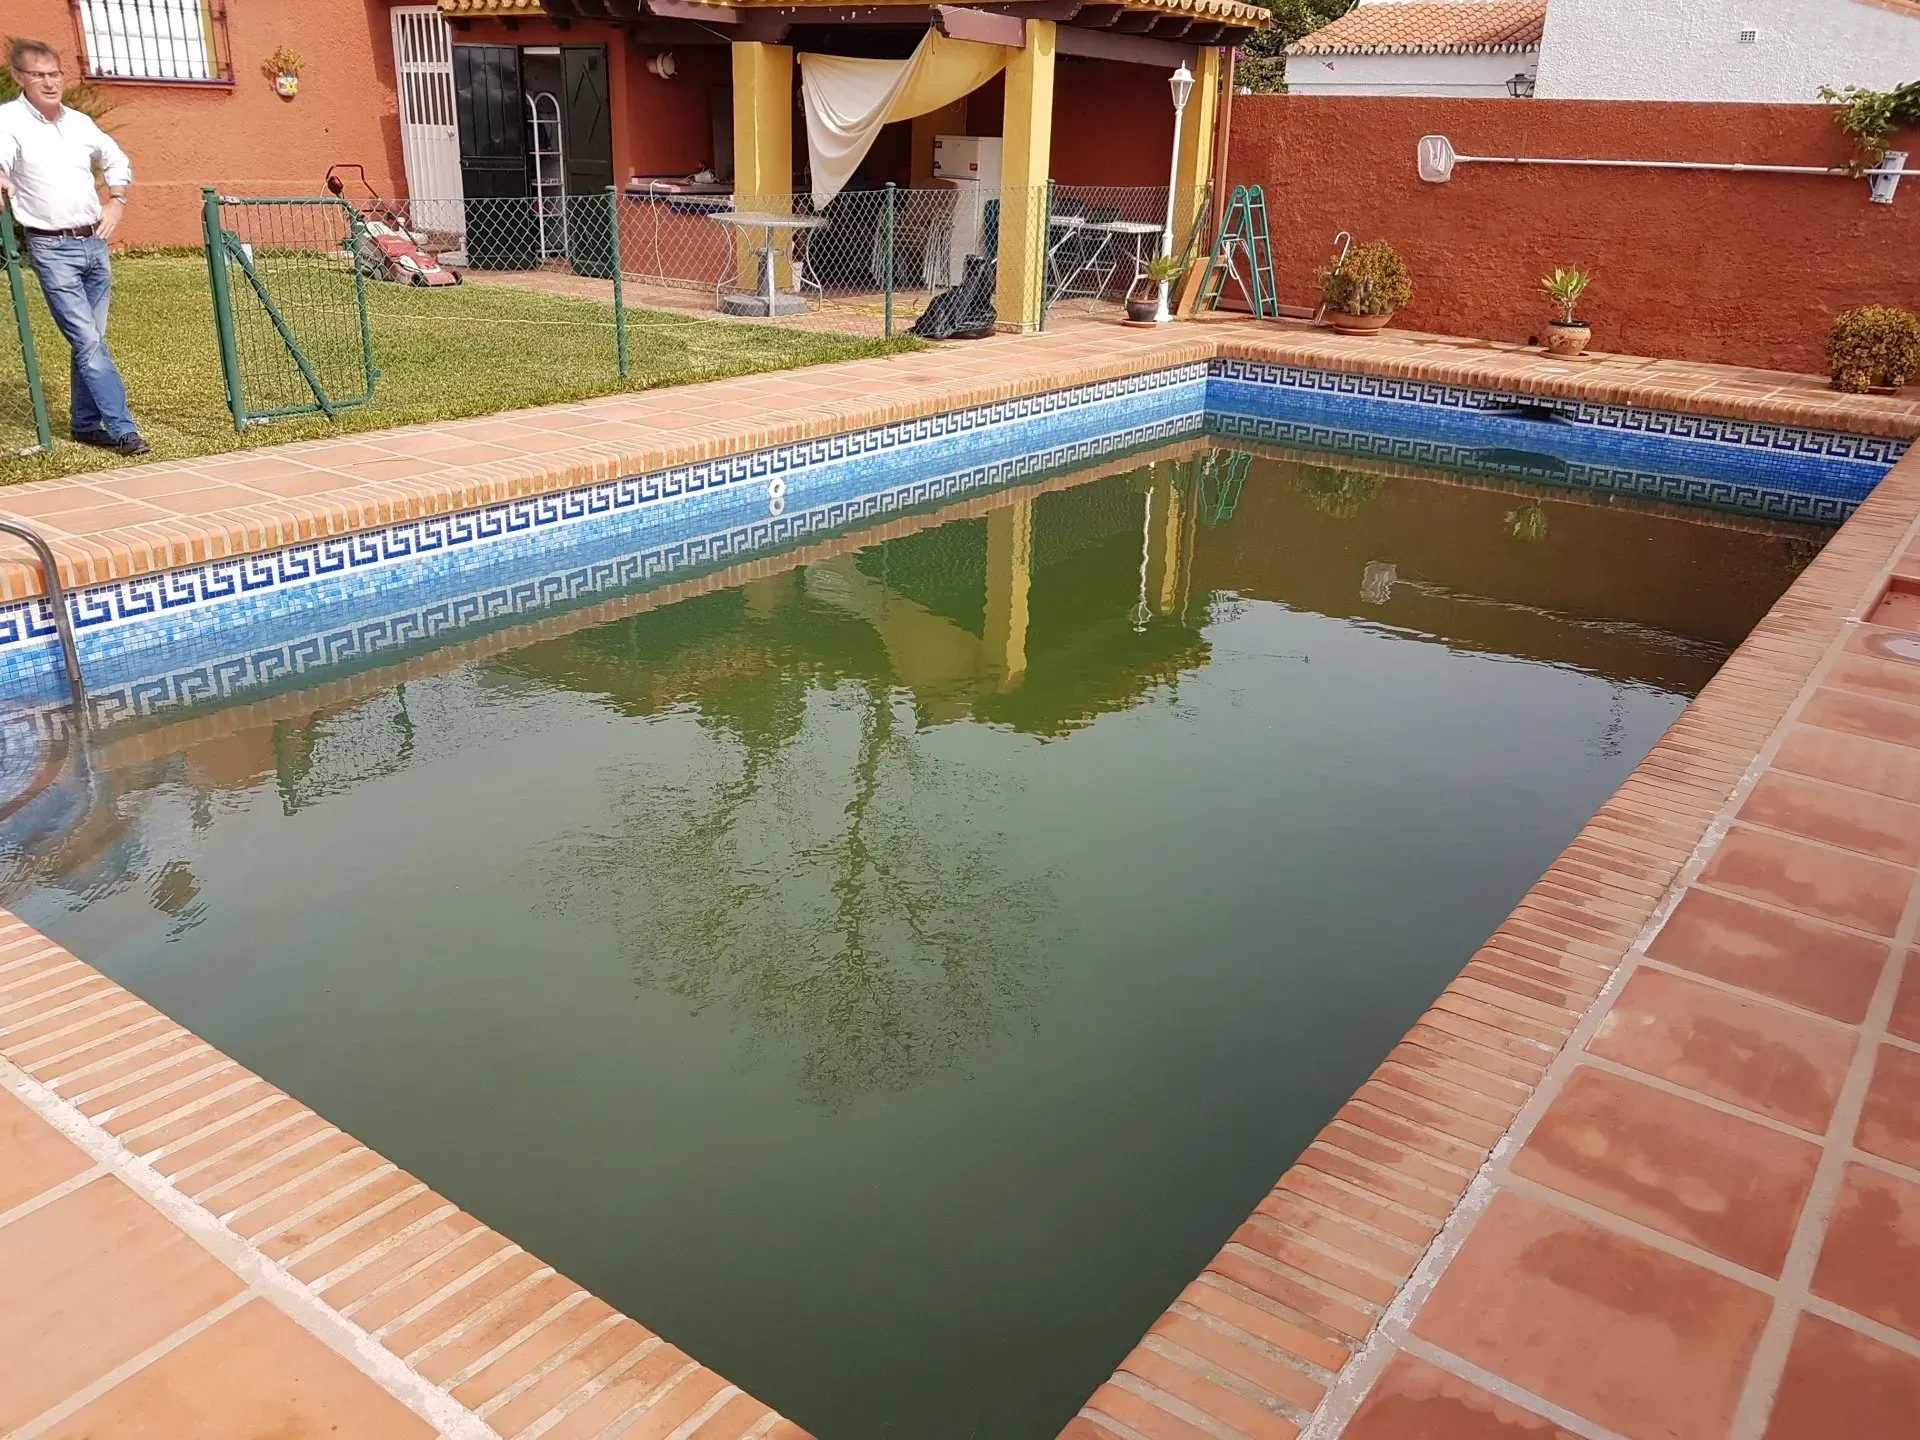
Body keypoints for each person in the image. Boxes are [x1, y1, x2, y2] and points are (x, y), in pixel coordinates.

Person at [0, 38, 147, 456]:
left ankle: (84, 425)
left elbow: (116, 158)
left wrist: (117, 201)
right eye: (38, 75)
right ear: (19, 77)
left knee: (91, 340)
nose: (49, 83)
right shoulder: (8, 120)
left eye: (54, 74)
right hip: (52, 250)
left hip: (94, 245)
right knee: (89, 341)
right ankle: (123, 429)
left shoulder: (80, 123)